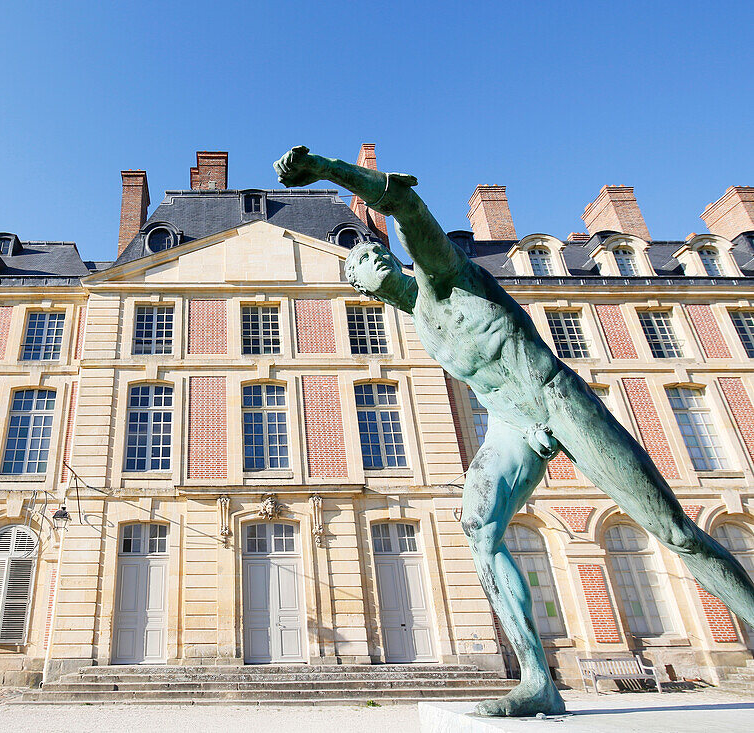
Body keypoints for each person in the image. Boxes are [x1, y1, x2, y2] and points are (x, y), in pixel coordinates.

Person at [274, 145, 754, 717]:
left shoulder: (444, 278)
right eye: (358, 267)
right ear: (364, 291)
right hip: (508, 424)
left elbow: (404, 202)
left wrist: (326, 169)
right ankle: (536, 679)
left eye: (370, 254)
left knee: (673, 530)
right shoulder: (423, 328)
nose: (366, 261)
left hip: (554, 397)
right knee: (480, 532)